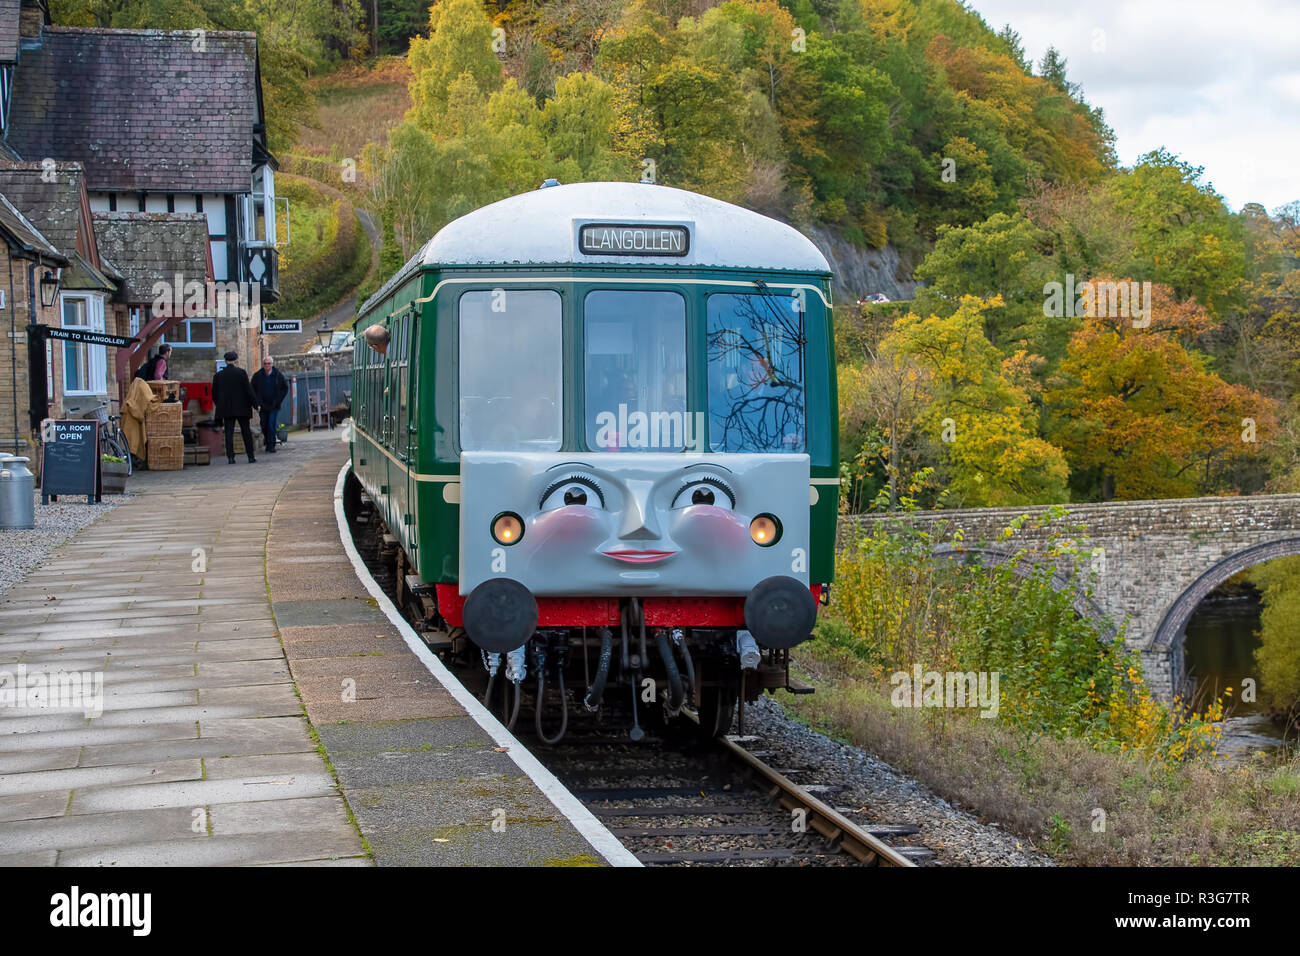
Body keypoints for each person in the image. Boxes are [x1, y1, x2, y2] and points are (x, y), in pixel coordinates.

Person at [212, 350, 259, 464]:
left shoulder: (218, 376)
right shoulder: (241, 373)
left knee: (229, 432)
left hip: (226, 408)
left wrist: (220, 404)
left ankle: (231, 457)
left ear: (225, 361)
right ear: (236, 360)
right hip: (242, 407)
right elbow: (248, 390)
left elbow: (214, 394)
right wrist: (256, 405)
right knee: (246, 431)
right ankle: (250, 456)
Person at [250, 355, 289, 453]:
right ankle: (268, 441)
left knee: (271, 424)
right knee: (264, 424)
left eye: (269, 363)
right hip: (262, 405)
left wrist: (278, 400)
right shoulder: (257, 376)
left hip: (274, 405)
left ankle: (271, 445)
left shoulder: (278, 375)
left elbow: (285, 388)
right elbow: (252, 390)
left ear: (272, 364)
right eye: (265, 364)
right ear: (263, 364)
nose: (267, 365)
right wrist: (256, 403)